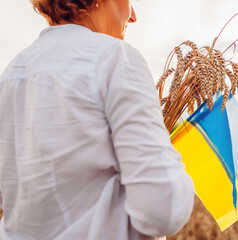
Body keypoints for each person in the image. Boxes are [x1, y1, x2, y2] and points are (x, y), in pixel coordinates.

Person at [0, 0, 195, 239]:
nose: (132, 16)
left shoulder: (10, 74)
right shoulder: (115, 58)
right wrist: (167, 160)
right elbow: (162, 210)